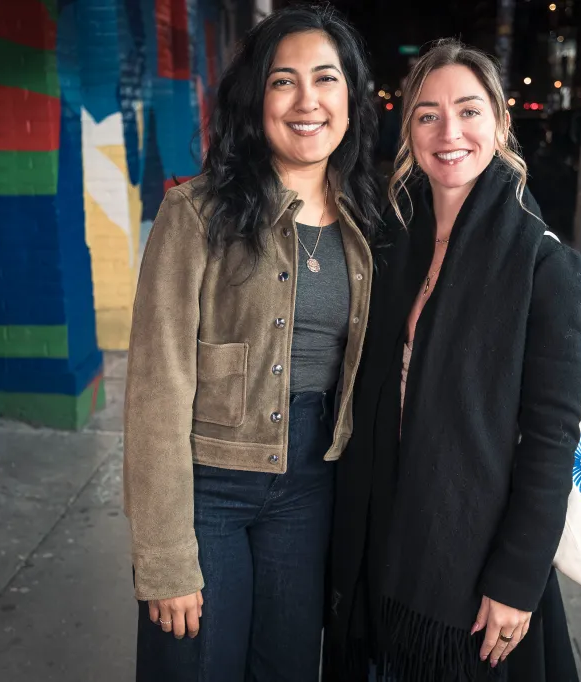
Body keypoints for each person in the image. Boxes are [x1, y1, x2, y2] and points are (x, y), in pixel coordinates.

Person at [123, 5, 380, 681]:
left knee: (288, 667)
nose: (306, 101)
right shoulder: (196, 214)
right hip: (209, 485)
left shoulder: (370, 219)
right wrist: (163, 556)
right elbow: (157, 391)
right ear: (255, 98)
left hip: (311, 484)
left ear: (350, 96)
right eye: (282, 81)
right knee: (194, 663)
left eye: (326, 79)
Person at [324, 39, 581, 682]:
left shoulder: (544, 264)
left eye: (469, 111)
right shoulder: (390, 242)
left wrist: (518, 580)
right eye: (428, 115)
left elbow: (553, 438)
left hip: (469, 571)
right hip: (380, 544)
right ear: (408, 129)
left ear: (499, 122)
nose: (450, 132)